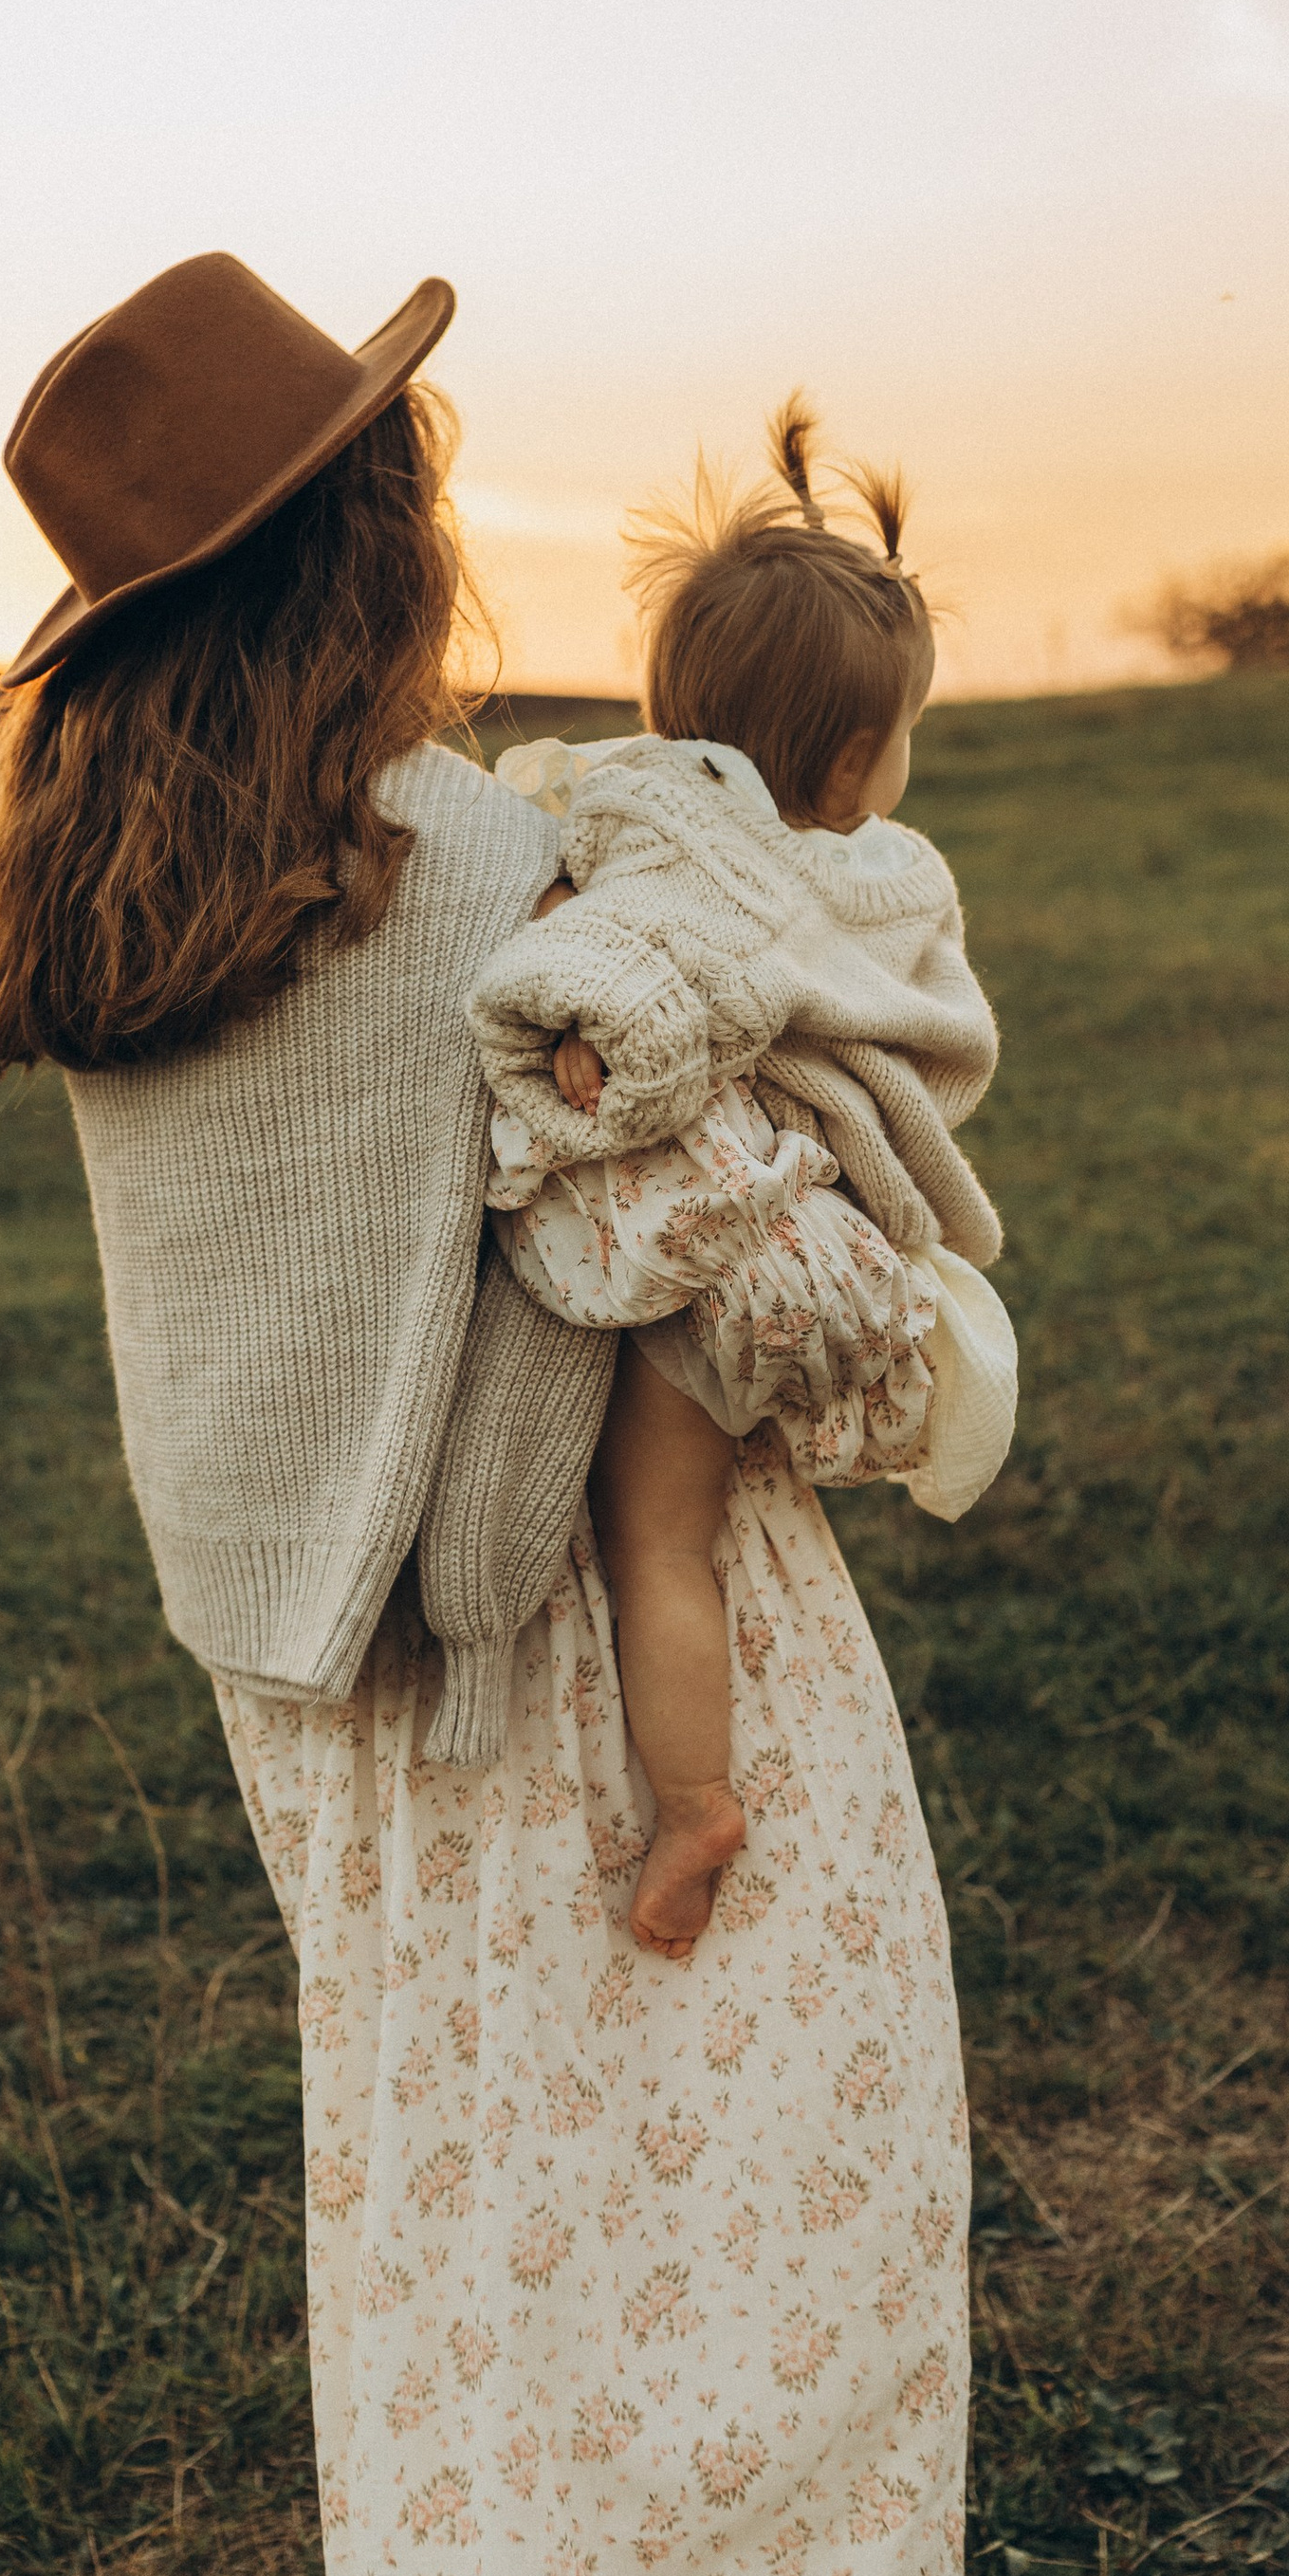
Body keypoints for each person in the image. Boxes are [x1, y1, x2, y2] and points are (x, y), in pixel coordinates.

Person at [0, 255, 973, 2576]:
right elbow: (756, 1297)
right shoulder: (496, 872)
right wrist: (933, 1338)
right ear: (376, 548)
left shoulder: (116, 917)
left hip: (331, 1735)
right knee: (772, 2290)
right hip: (595, 1681)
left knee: (478, 2324)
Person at [466, 403, 1017, 1957]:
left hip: (699, 1246)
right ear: (858, 757)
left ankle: (692, 1797)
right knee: (689, 1529)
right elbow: (918, 1044)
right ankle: (702, 1787)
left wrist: (594, 1026)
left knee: (652, 1545)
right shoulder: (876, 877)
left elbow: (623, 965)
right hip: (814, 1244)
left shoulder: (664, 836)